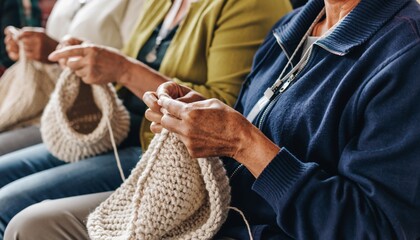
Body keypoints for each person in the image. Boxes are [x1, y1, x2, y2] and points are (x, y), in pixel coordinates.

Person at [5, 0, 420, 239]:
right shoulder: (296, 25)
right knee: (32, 223)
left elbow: (377, 228)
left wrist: (244, 144)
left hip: (257, 226)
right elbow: (247, 117)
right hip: (215, 202)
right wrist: (192, 110)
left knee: (29, 222)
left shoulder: (404, 52)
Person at [0, 0, 291, 238]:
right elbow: (127, 69)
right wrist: (86, 60)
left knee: (10, 205)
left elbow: (224, 111)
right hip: (121, 129)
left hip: (168, 154)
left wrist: (124, 69)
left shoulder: (252, 4)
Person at [0, 0, 143, 156]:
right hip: (47, 99)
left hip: (90, 112)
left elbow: (132, 65)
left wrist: (54, 51)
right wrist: (28, 47)